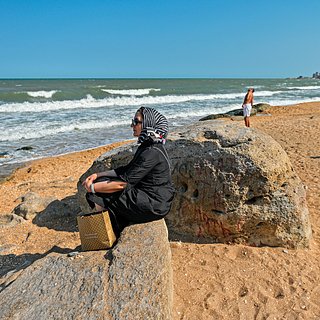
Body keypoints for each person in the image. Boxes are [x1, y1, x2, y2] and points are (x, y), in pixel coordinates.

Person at [82, 107, 175, 233]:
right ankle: (110, 228)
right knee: (103, 184)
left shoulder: (151, 152)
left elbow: (122, 184)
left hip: (155, 204)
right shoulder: (148, 146)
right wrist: (97, 175)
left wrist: (92, 188)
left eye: (136, 122)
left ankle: (107, 231)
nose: (132, 125)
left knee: (100, 193)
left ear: (149, 124)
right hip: (150, 197)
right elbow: (127, 170)